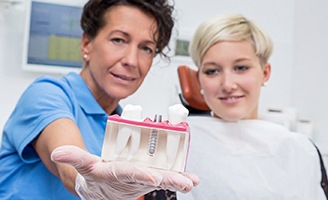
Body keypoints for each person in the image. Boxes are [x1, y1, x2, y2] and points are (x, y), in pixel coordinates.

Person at [0, 0, 199, 199]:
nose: (131, 60)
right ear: (87, 44)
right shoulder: (46, 95)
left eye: (146, 48)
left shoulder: (123, 125)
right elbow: (68, 165)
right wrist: (86, 183)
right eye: (118, 40)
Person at [177, 14, 328, 200]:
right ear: (199, 78)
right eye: (212, 71)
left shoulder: (299, 150)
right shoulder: (177, 143)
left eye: (241, 68)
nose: (228, 84)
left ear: (265, 73)